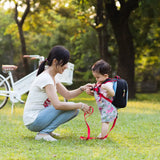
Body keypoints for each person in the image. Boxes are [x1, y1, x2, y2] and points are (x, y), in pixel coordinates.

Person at [23, 45, 91, 142]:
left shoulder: (52, 77)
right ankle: (44, 133)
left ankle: (47, 131)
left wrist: (82, 88)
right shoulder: (46, 78)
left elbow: (67, 94)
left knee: (74, 109)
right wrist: (80, 105)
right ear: (55, 61)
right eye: (65, 63)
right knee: (74, 107)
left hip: (38, 118)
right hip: (33, 120)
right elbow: (57, 105)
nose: (66, 66)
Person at [86, 59, 117, 139]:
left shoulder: (108, 83)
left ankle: (103, 136)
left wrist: (107, 88)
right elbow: (99, 94)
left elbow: (112, 93)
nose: (96, 80)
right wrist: (91, 92)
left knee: (105, 121)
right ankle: (103, 134)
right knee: (105, 120)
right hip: (103, 107)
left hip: (108, 107)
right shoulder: (100, 83)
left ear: (106, 76)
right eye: (95, 77)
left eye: (98, 77)